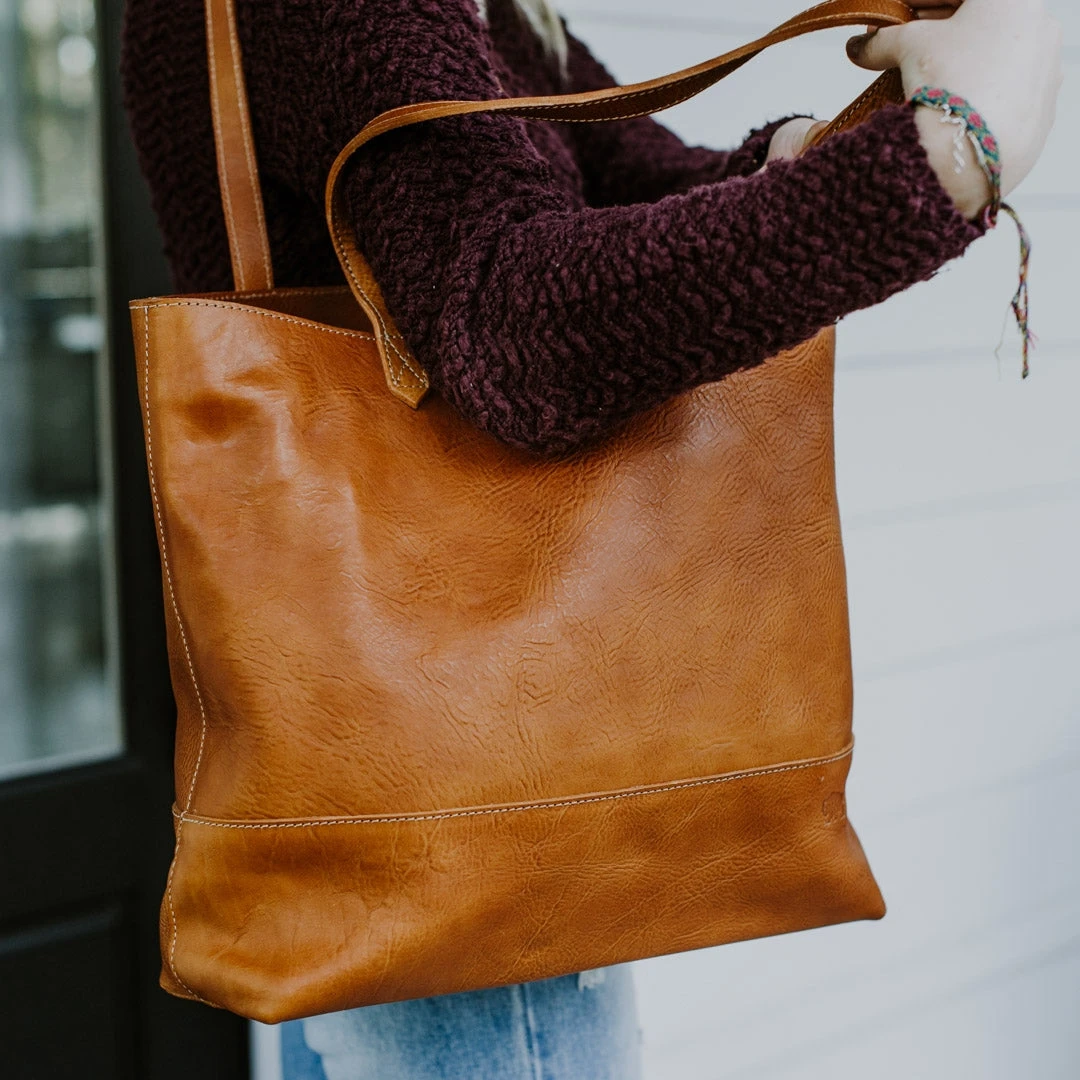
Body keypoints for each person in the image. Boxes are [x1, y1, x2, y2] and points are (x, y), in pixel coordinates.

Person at [120, 0, 1062, 1075]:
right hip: (464, 850)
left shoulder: (495, 15)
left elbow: (634, 183)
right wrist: (944, 158)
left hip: (449, 827)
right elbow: (519, 321)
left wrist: (825, 149)